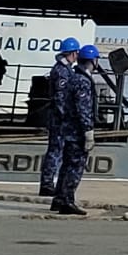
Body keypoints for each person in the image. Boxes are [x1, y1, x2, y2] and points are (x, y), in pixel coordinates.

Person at [49, 43, 98, 217]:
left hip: (68, 129)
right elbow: (83, 108)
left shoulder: (73, 77)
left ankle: (58, 199)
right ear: (93, 61)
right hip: (77, 132)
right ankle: (67, 201)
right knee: (75, 166)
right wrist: (88, 131)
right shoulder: (83, 81)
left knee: (66, 165)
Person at [38, 37, 82, 201]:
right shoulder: (62, 71)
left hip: (59, 117)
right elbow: (60, 97)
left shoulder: (64, 69)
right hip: (59, 119)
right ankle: (47, 183)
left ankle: (49, 183)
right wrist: (66, 116)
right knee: (55, 150)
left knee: (57, 150)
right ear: (73, 53)